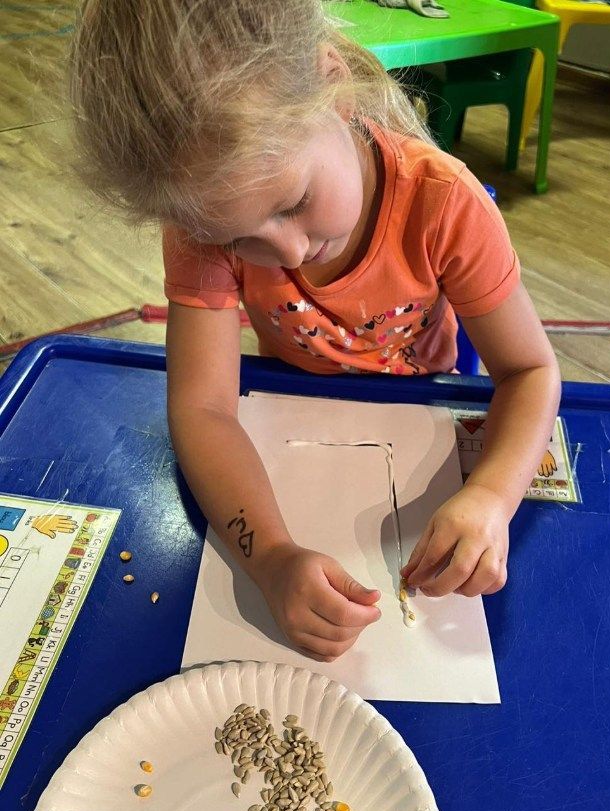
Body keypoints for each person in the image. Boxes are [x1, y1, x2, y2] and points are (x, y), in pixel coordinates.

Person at [70, 0, 561, 661]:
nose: (291, 252)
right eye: (241, 239)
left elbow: (531, 372)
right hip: (295, 415)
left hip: (418, 403)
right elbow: (201, 406)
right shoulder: (198, 220)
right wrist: (269, 557)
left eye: (294, 203)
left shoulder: (444, 202)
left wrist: (491, 499)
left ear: (331, 84)